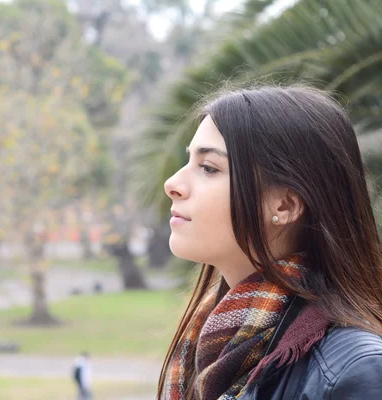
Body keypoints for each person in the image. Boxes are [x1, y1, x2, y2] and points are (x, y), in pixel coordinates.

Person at [158, 86, 382, 400]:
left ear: (284, 206)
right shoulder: (211, 345)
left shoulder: (355, 371)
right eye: (189, 161)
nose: (173, 184)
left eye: (209, 168)